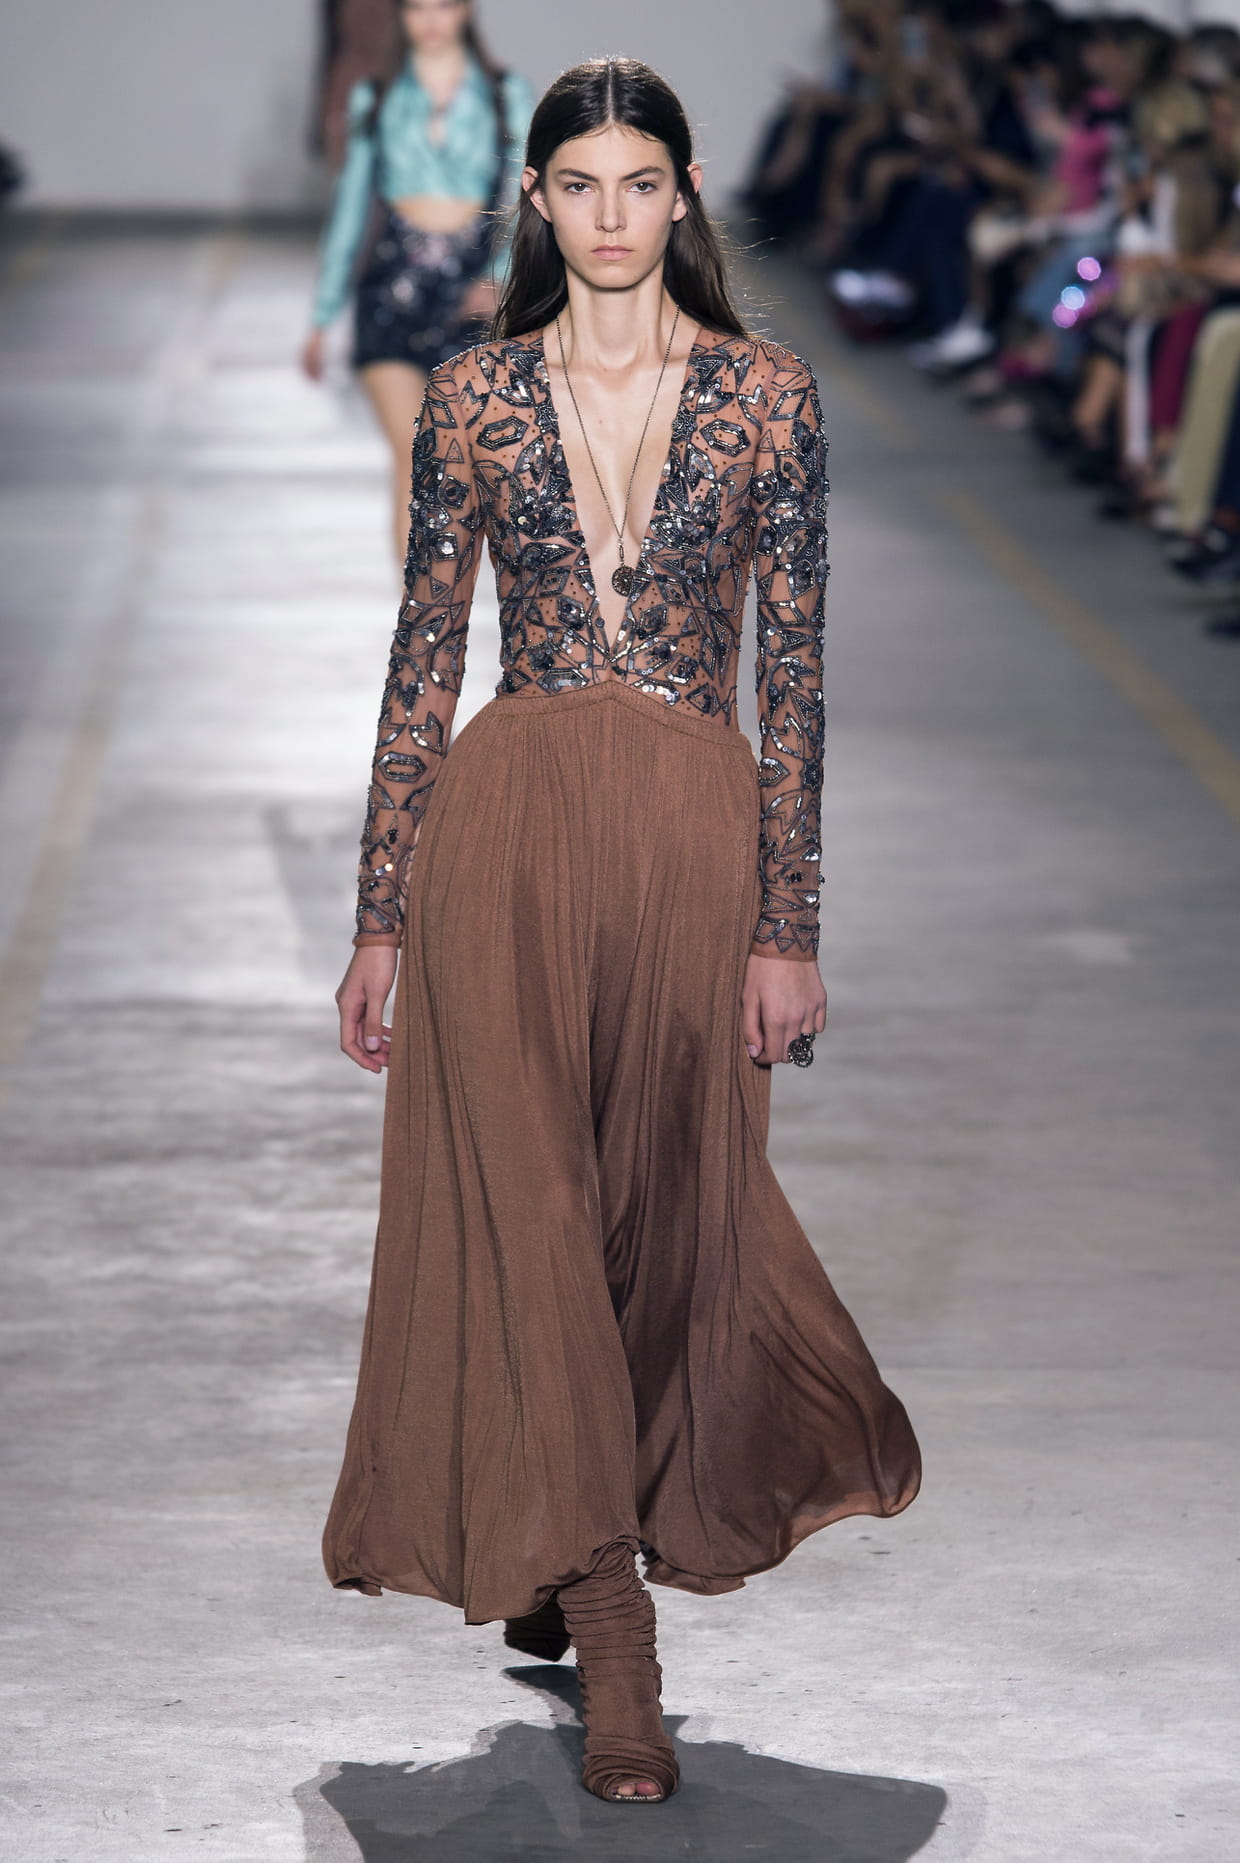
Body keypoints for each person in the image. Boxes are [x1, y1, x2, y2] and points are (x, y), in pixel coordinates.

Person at [327, 56, 921, 1807]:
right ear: (536, 198)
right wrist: (381, 911)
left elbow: (795, 670)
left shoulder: (766, 395)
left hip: (687, 843)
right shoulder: (473, 395)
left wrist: (787, 921)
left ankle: (577, 1520)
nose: (608, 214)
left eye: (637, 182)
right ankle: (617, 1643)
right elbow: (424, 656)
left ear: (685, 191)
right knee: (530, 1213)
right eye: (577, 183)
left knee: (663, 1227)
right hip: (505, 837)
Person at [301, 0, 533, 559]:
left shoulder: (507, 95)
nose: (430, 20)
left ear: (466, 10)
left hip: (469, 299)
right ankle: (417, 610)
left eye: (444, 5)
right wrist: (323, 316)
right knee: (416, 455)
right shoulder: (376, 95)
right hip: (389, 293)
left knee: (457, 468)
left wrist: (499, 277)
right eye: (417, 7)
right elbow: (351, 208)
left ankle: (438, 598)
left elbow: (526, 197)